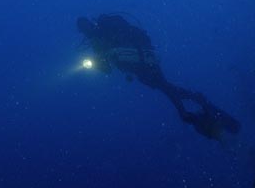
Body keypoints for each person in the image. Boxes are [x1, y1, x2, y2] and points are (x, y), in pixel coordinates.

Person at [77, 14, 241, 141]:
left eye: (86, 27)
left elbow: (120, 47)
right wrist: (98, 64)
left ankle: (190, 110)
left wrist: (109, 55)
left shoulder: (106, 27)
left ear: (89, 24)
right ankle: (196, 104)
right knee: (164, 86)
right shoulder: (98, 42)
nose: (87, 31)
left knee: (164, 87)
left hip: (141, 62)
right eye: (84, 30)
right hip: (141, 65)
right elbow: (107, 69)